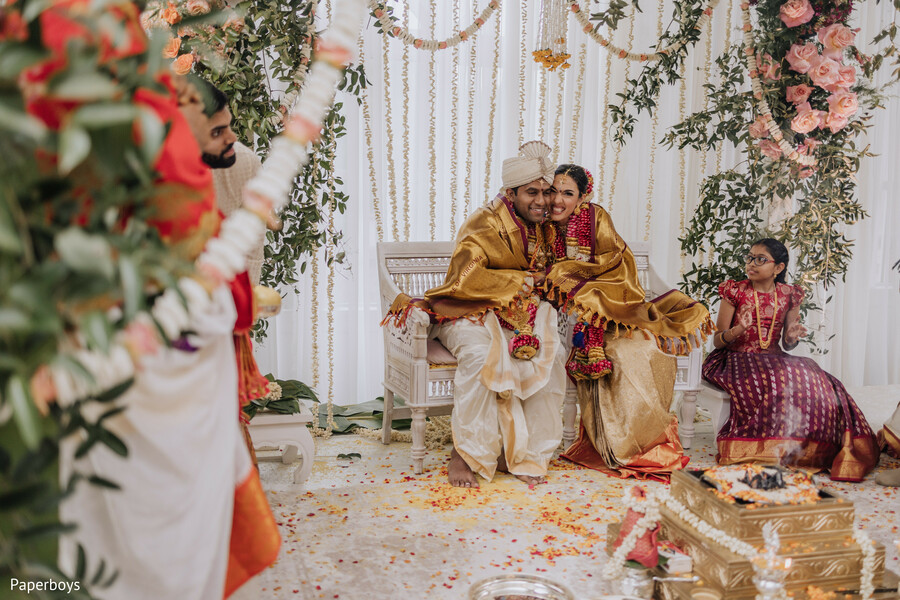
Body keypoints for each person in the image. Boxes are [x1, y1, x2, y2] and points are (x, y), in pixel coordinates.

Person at [386, 141, 567, 489]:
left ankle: (523, 452)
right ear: (510, 192)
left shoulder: (545, 227)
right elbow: (465, 277)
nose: (541, 201)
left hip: (520, 314)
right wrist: (525, 280)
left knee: (552, 355)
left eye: (546, 193)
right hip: (465, 310)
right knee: (481, 355)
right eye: (532, 192)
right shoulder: (484, 222)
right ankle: (466, 453)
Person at [540, 164, 712, 480]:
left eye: (568, 193)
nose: (558, 200)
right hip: (575, 318)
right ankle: (618, 446)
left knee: (648, 349)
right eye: (554, 191)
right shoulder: (541, 225)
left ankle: (648, 443)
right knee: (619, 354)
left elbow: (617, 265)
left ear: (583, 196)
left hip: (613, 310)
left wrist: (572, 278)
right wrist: (561, 278)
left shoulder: (596, 218)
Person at [702, 238, 878, 481]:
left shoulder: (789, 294)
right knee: (771, 379)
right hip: (735, 357)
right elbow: (718, 341)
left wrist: (793, 337)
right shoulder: (735, 290)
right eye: (750, 257)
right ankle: (762, 449)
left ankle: (810, 449)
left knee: (817, 377)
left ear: (778, 268)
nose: (752, 263)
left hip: (773, 357)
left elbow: (787, 343)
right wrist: (737, 331)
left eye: (760, 259)